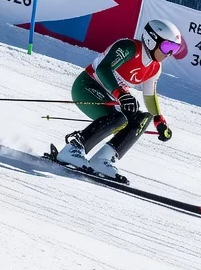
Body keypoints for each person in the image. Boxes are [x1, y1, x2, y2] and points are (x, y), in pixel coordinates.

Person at [52, 19, 185, 182]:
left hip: (112, 97)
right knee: (119, 118)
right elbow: (103, 69)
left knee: (142, 119)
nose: (169, 53)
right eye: (167, 47)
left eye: (175, 49)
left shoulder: (155, 67)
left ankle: (103, 159)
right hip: (87, 86)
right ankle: (72, 150)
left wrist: (159, 121)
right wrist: (121, 93)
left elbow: (150, 95)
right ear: (152, 39)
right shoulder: (129, 48)